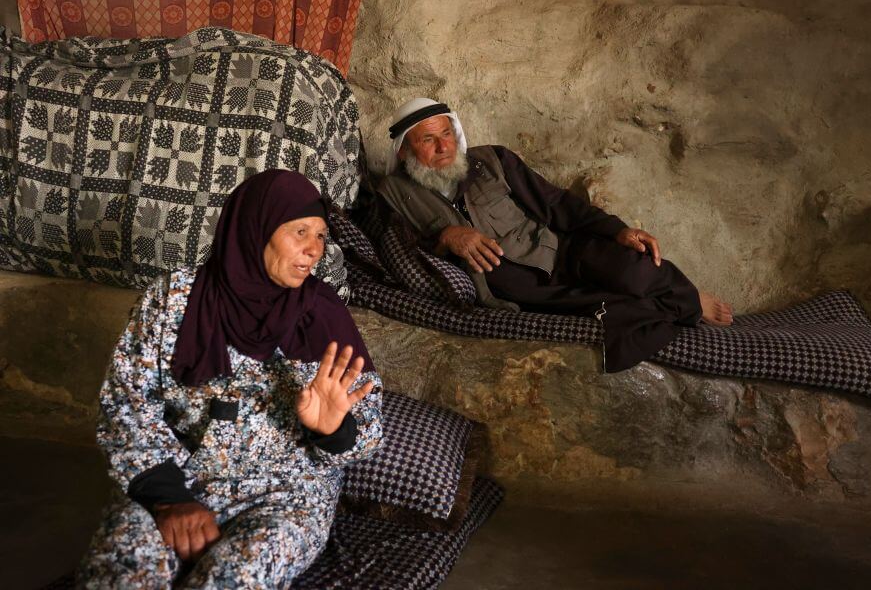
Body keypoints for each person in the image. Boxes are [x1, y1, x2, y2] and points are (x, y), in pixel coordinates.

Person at [78, 170, 383, 589]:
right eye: (300, 233)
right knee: (120, 573)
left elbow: (368, 421)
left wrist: (335, 430)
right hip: (181, 476)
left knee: (231, 579)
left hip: (287, 495)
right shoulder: (173, 301)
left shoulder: (323, 314)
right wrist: (169, 497)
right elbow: (126, 404)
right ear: (255, 228)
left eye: (321, 236)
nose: (314, 250)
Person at [375, 97, 734, 373]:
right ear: (405, 149)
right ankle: (678, 300)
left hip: (559, 251)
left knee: (635, 269)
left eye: (446, 133)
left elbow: (556, 203)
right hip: (522, 291)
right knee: (620, 310)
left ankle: (688, 296)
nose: (444, 147)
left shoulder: (492, 161)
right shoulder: (392, 195)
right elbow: (393, 250)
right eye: (428, 139)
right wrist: (445, 237)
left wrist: (617, 229)